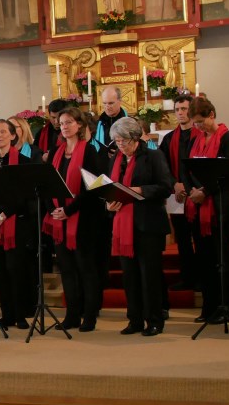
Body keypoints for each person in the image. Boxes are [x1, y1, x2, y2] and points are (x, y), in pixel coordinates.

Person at [106, 118, 175, 337]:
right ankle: (134, 319)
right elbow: (110, 186)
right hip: (123, 224)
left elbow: (166, 187)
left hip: (148, 224)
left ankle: (154, 320)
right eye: (117, 141)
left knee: (149, 276)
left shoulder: (153, 156)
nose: (120, 145)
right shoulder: (116, 159)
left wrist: (138, 190)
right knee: (130, 276)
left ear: (136, 138)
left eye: (124, 141)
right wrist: (108, 202)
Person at [42, 107, 105, 332]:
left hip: (84, 220)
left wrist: (70, 210)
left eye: (69, 122)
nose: (65, 126)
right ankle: (71, 315)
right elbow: (48, 183)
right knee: (67, 270)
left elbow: (94, 188)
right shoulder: (55, 151)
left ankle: (89, 316)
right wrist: (53, 209)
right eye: (62, 122)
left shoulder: (90, 152)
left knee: (86, 270)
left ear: (79, 125)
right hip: (59, 219)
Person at [184, 97, 229, 324]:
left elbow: (226, 174)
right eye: (194, 123)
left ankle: (224, 307)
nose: (197, 127)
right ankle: (208, 308)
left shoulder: (228, 139)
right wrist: (191, 190)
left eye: (200, 122)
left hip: (219, 208)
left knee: (222, 259)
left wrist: (204, 192)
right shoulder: (195, 140)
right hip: (198, 207)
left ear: (212, 115)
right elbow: (186, 169)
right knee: (204, 260)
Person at [0, 119, 38, 329]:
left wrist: (0, 219)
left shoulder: (23, 162)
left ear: (13, 135)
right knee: (2, 274)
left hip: (16, 225)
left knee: (16, 271)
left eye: (3, 132)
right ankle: (7, 315)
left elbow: (22, 199)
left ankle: (20, 315)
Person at [158, 94, 201, 290]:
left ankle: (202, 279)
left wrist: (191, 187)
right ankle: (187, 277)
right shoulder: (168, 139)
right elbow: (162, 167)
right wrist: (174, 184)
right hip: (177, 196)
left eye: (184, 109)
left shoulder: (201, 135)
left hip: (198, 195)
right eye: (177, 110)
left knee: (200, 240)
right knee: (182, 240)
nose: (181, 113)